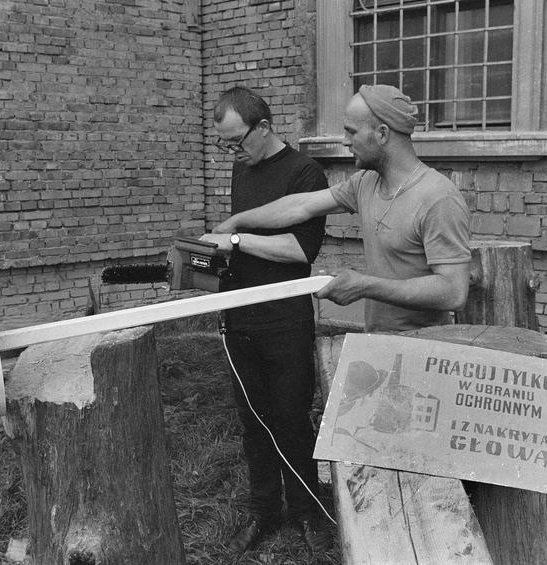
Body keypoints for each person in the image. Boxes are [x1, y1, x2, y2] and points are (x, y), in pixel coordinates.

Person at [212, 84, 472, 333]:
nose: (345, 142)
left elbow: (453, 292)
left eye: (352, 132)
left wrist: (364, 285)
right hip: (377, 338)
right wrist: (235, 222)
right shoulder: (366, 182)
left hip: (424, 345)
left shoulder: (438, 198)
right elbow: (301, 206)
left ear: (382, 134)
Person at [199, 86, 332, 554]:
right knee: (252, 420)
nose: (232, 153)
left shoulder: (305, 172)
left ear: (264, 127)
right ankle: (264, 512)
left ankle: (307, 512)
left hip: (284, 317)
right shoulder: (243, 166)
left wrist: (236, 239)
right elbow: (243, 240)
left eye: (237, 142)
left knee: (290, 416)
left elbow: (300, 251)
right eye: (225, 145)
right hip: (239, 314)